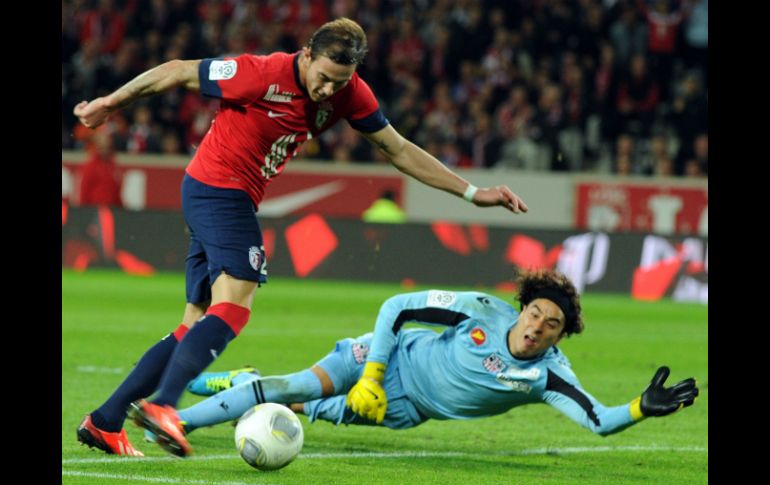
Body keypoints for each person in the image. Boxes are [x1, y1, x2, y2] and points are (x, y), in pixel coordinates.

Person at [73, 17, 528, 458]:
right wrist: (110, 103)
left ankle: (106, 420)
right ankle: (164, 408)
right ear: (306, 55)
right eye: (324, 77)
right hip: (218, 189)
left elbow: (399, 149)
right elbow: (177, 71)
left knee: (196, 321)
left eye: (339, 82)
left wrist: (472, 193)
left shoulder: (351, 93)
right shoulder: (260, 73)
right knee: (234, 306)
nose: (328, 90)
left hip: (224, 194)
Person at [152, 269, 698, 441]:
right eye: (535, 313)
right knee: (296, 386)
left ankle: (242, 380)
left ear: (558, 339)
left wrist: (638, 409)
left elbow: (599, 421)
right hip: (384, 359)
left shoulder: (547, 376)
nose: (536, 328)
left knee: (299, 408)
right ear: (523, 308)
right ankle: (174, 421)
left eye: (551, 326)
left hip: (405, 409)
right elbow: (398, 306)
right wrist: (371, 373)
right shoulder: (480, 311)